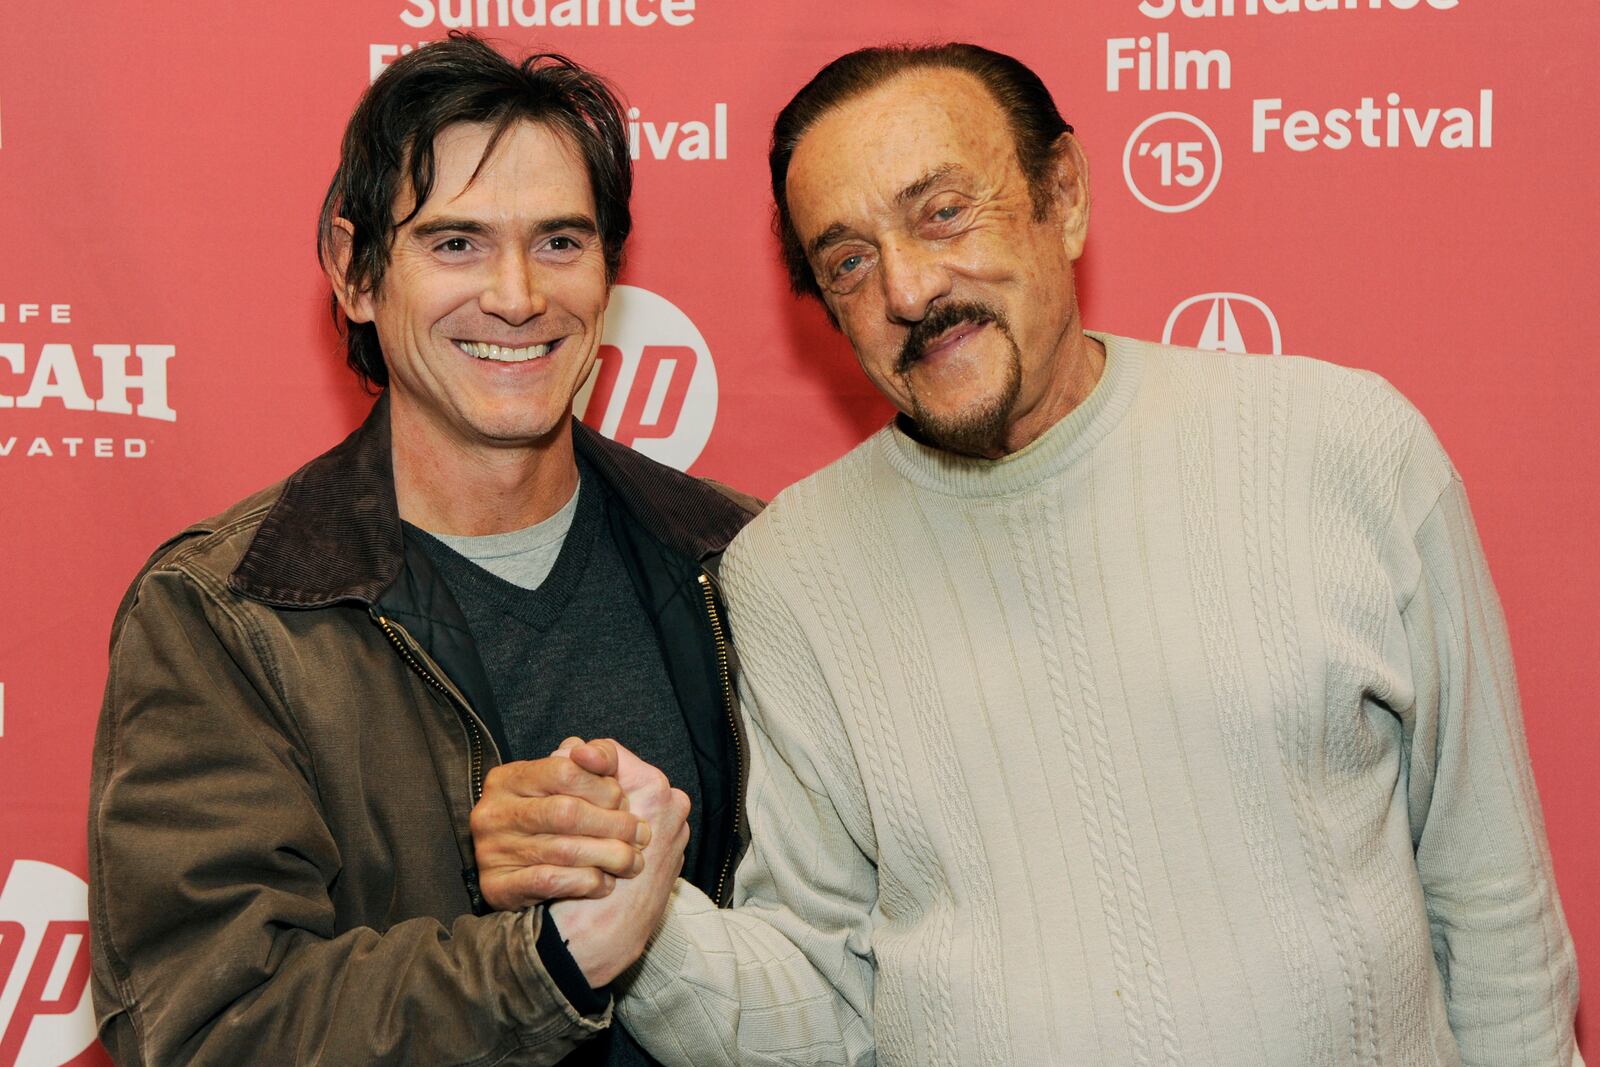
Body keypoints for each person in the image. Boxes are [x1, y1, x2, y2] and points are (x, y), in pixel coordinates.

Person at [532, 43, 1583, 1065]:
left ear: (1064, 194)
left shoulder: (1345, 447)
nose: (907, 287)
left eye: (943, 211)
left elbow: (1490, 900)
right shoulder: (788, 573)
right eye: (847, 259)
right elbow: (822, 998)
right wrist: (628, 904)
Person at [87, 34, 756, 1067]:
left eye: (560, 242)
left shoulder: (737, 564)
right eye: (455, 244)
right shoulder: (224, 613)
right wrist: (545, 962)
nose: (518, 295)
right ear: (356, 275)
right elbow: (205, 1024)